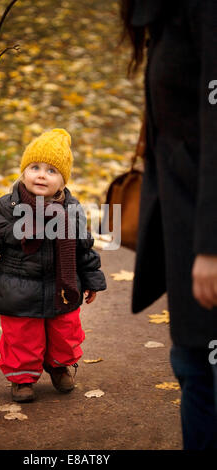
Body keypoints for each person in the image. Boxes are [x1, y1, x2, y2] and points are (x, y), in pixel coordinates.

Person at [120, 0, 217, 449]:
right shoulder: (163, 13)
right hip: (186, 223)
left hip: (204, 230)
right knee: (193, 366)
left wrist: (210, 245)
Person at [0, 128, 106, 403]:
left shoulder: (71, 211)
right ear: (23, 172)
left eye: (51, 171)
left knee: (65, 333)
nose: (41, 175)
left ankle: (58, 365)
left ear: (63, 180)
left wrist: (92, 279)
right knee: (22, 337)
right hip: (18, 289)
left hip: (61, 288)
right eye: (35, 167)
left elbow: (83, 248)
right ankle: (22, 377)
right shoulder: (8, 208)